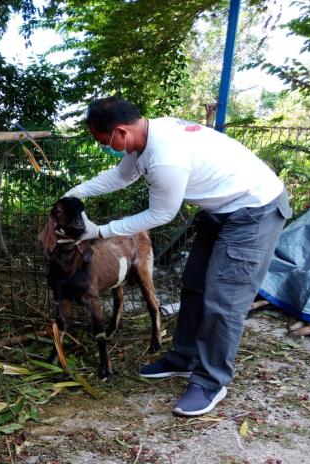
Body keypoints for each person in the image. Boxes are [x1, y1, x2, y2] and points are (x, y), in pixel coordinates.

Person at [64, 97, 291, 416]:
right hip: (220, 209)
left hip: (254, 210)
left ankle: (211, 381)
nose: (104, 146)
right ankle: (184, 358)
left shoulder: (165, 158)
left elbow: (161, 213)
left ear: (120, 132)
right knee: (194, 284)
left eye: (103, 141)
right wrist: (76, 192)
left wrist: (100, 231)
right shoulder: (145, 137)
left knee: (224, 299)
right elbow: (120, 177)